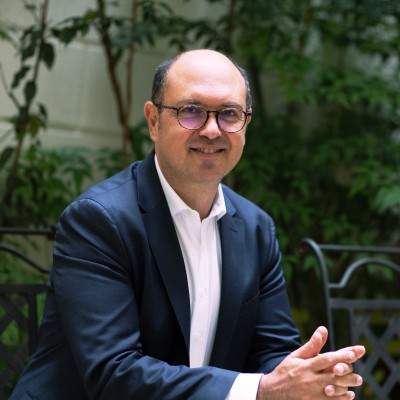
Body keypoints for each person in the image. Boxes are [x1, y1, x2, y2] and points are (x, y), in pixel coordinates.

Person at [10, 49, 365, 400]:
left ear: (246, 125)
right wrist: (262, 390)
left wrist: (307, 381)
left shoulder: (256, 228)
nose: (212, 130)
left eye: (229, 114)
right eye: (191, 111)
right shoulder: (99, 221)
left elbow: (272, 354)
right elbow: (114, 374)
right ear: (154, 121)